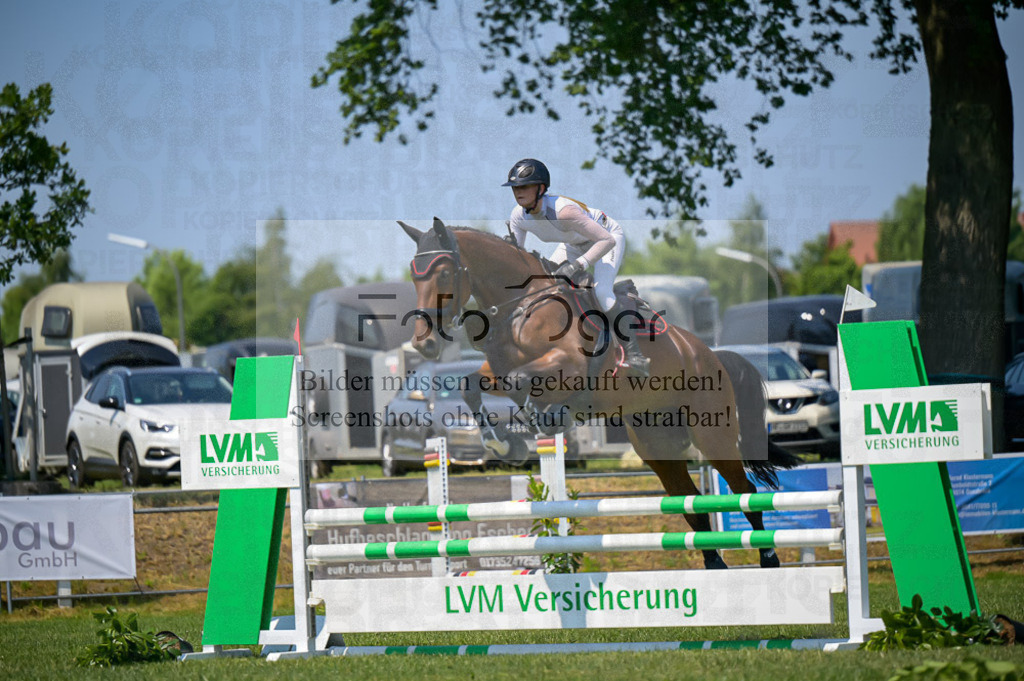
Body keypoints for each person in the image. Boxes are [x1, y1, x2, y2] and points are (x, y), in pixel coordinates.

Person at [503, 158, 650, 376]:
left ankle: (634, 353)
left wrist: (578, 265)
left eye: (524, 186)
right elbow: (516, 257)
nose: (518, 192)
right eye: (515, 187)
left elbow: (606, 240)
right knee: (548, 287)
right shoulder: (518, 216)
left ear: (541, 188)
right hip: (573, 243)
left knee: (601, 292)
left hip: (606, 237)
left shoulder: (564, 212)